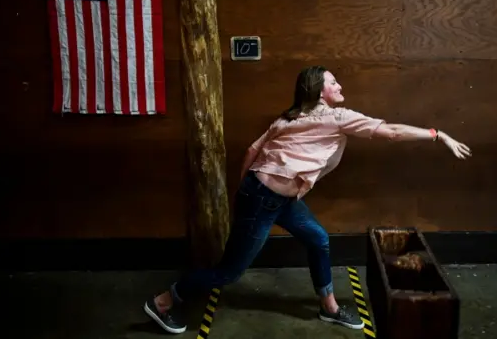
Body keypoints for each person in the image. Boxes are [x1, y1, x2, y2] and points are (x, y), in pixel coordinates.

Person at [144, 65, 472, 334]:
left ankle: (329, 307)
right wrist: (436, 134)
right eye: (333, 81)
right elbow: (391, 132)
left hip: (270, 197)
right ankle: (163, 302)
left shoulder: (286, 118)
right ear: (318, 90)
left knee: (318, 239)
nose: (339, 84)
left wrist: (242, 193)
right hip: (263, 198)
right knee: (230, 272)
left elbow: (251, 152)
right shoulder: (335, 116)